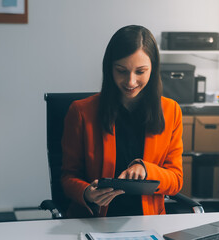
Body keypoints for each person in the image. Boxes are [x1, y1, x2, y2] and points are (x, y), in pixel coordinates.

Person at [61, 25, 183, 218]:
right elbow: (68, 177)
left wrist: (146, 169)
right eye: (122, 71)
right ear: (109, 68)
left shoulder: (171, 111)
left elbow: (175, 181)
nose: (131, 81)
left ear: (153, 69)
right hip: (94, 220)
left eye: (140, 72)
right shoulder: (81, 112)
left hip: (148, 222)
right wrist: (87, 192)